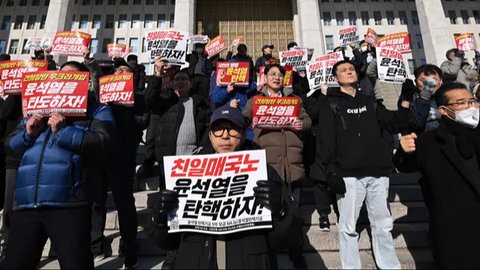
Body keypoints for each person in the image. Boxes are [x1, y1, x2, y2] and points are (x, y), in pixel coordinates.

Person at [148, 105, 301, 269]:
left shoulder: (264, 172)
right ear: (210, 136)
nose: (225, 136)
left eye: (232, 129)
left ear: (242, 134)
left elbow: (289, 237)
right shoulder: (186, 173)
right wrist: (159, 219)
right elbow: (166, 242)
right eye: (218, 130)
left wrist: (281, 212)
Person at [2, 61, 115, 269]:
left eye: (70, 78)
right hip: (27, 205)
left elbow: (103, 142)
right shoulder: (34, 109)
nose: (62, 82)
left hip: (69, 204)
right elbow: (10, 146)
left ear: (85, 82)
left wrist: (64, 131)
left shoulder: (98, 109)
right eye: (59, 77)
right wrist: (28, 133)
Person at [312, 60, 422, 269]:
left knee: (383, 224)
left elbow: (395, 123)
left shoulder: (370, 101)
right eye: (343, 70)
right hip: (348, 173)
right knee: (347, 226)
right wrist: (331, 170)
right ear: (336, 78)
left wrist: (406, 99)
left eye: (351, 69)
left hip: (378, 171)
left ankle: (389, 265)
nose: (348, 72)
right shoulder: (331, 102)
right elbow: (326, 139)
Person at [395, 82, 480, 269]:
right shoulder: (429, 141)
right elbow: (406, 166)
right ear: (443, 110)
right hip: (455, 231)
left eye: (472, 101)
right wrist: (403, 151)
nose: (470, 106)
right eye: (461, 103)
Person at [242, 63, 311, 268]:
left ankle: (296, 253)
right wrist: (246, 119)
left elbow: (307, 120)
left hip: (293, 163)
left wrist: (301, 124)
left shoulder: (295, 100)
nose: (276, 77)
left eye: (280, 75)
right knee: (268, 212)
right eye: (272, 74)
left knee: (295, 214)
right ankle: (269, 254)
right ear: (265, 78)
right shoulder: (255, 100)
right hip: (267, 164)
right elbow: (242, 120)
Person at [89, 57, 148, 269]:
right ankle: (96, 245)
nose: (120, 73)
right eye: (117, 71)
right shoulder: (102, 97)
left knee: (124, 203)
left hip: (123, 156)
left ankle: (129, 248)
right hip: (100, 154)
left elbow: (143, 121)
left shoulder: (138, 98)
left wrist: (123, 109)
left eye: (125, 71)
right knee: (97, 201)